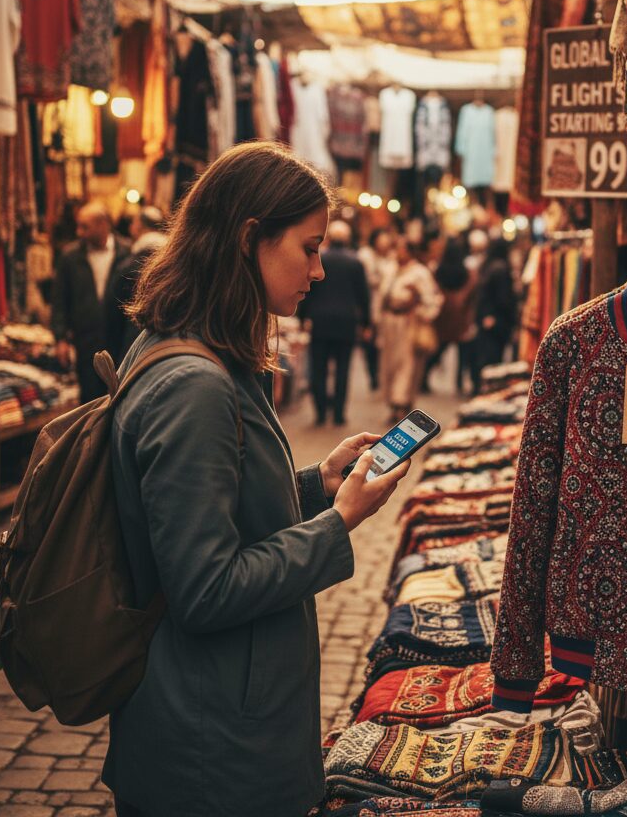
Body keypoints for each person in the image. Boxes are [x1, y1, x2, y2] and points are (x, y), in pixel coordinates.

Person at [104, 141, 410, 817]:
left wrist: (315, 486)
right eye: (307, 248)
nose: (320, 269)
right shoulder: (195, 384)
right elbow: (205, 589)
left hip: (217, 725)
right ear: (250, 240)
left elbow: (212, 509)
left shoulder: (198, 354)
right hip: (210, 749)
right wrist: (340, 523)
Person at [52, 201, 130, 402]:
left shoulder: (127, 253)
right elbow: (60, 298)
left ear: (103, 224)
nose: (79, 232)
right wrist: (60, 338)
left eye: (85, 227)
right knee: (89, 400)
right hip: (86, 339)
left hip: (119, 338)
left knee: (120, 395)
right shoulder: (70, 256)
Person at [299, 219, 370, 426]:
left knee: (318, 368)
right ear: (347, 239)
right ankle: (338, 414)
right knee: (343, 369)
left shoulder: (322, 259)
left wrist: (303, 317)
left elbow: (309, 289)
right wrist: (366, 322)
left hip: (320, 321)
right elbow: (363, 296)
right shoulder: (355, 262)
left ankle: (320, 412)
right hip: (346, 322)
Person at [377, 235, 442, 424]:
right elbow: (381, 297)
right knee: (389, 365)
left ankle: (402, 405)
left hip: (409, 324)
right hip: (390, 324)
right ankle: (392, 403)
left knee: (407, 366)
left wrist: (417, 306)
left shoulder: (420, 273)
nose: (398, 253)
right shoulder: (390, 269)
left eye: (402, 249)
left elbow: (433, 301)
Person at [106, 206, 169, 365]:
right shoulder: (176, 262)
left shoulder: (129, 264)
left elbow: (113, 311)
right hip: (168, 350)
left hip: (134, 347)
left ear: (138, 227)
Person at [425, 237, 478, 395]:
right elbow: (471, 291)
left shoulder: (437, 271)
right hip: (460, 317)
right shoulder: (467, 272)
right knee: (463, 352)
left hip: (444, 315)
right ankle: (459, 382)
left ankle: (424, 377)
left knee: (439, 348)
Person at [473, 236, 518, 390]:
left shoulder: (488, 266)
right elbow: (503, 299)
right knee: (492, 359)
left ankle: (482, 387)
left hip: (487, 320)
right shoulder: (500, 269)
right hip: (496, 322)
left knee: (485, 357)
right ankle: (487, 389)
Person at [357, 227, 395, 390]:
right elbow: (366, 279)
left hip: (385, 308)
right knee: (369, 344)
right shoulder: (365, 255)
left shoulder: (391, 258)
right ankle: (373, 375)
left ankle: (382, 374)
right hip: (369, 304)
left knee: (383, 344)